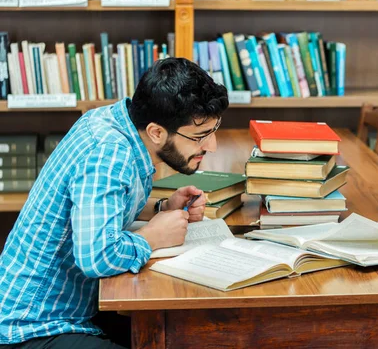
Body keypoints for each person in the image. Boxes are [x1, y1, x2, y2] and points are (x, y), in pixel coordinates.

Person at [0, 58, 229, 348]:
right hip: (32, 325)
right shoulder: (109, 154)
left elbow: (101, 206)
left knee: (184, 332)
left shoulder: (114, 120)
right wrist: (152, 236)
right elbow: (97, 257)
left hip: (74, 308)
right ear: (156, 132)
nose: (211, 146)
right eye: (200, 136)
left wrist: (163, 208)